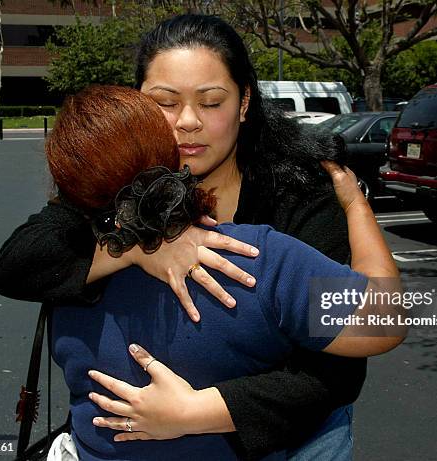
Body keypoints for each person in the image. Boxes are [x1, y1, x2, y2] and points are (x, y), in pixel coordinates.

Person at [0, 14, 382, 460]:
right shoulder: (104, 189)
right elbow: (17, 265)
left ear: (243, 102)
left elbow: (344, 365)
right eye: (166, 102)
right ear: (136, 103)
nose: (188, 122)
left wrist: (196, 412)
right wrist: (137, 248)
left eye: (212, 102)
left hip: (294, 444)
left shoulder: (297, 199)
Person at [47, 84, 401, 461]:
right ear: (168, 153)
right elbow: (387, 318)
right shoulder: (252, 258)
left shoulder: (66, 274)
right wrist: (355, 205)